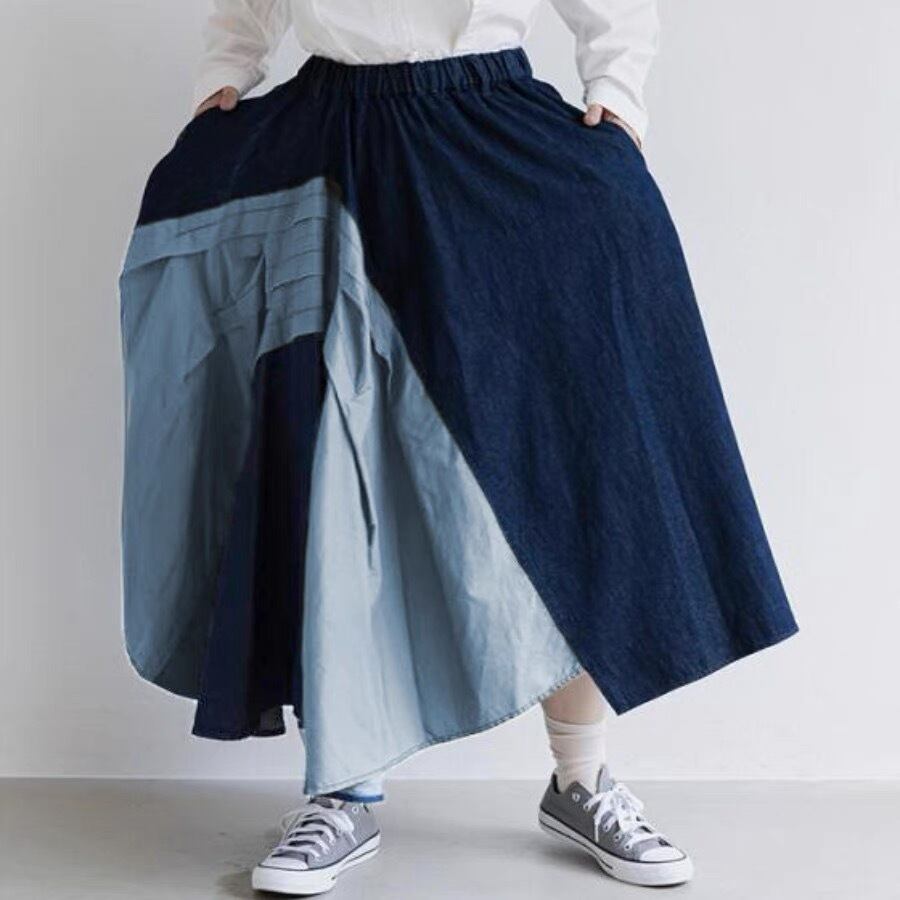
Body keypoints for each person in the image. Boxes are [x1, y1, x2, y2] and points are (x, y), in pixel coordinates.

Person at [118, 0, 798, 894]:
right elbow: (246, 8)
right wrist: (225, 75)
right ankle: (342, 790)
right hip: (328, 143)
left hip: (492, 133)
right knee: (334, 458)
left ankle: (582, 776)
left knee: (576, 452)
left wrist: (618, 97)